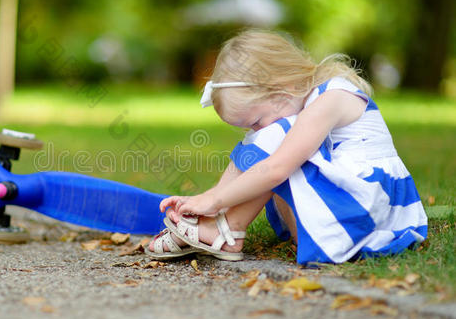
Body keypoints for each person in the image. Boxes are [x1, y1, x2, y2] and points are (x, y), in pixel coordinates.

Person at [145, 30, 428, 265]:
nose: (256, 132)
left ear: (282, 89)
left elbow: (276, 169)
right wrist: (208, 197)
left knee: (278, 142)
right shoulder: (303, 103)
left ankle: (228, 226)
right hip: (340, 211)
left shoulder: (332, 97)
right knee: (275, 139)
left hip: (366, 209)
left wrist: (214, 201)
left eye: (255, 122)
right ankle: (216, 223)